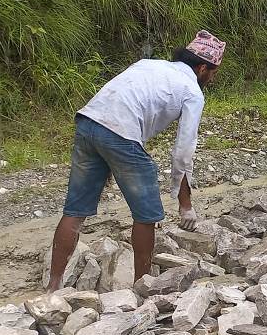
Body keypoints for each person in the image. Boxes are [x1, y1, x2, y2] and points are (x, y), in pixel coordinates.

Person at [46, 30, 225, 292]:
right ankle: (141, 288)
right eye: (213, 73)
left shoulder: (148, 64)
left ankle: (53, 286)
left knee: (75, 212)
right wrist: (185, 204)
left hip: (87, 122)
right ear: (201, 68)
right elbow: (183, 151)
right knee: (146, 215)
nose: (212, 79)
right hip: (121, 132)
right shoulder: (192, 92)